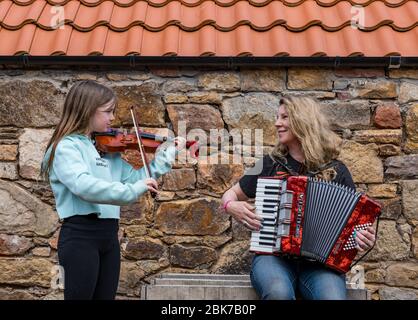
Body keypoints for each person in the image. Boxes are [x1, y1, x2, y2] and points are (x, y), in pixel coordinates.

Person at [221, 96, 376, 300]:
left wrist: (362, 236)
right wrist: (231, 205)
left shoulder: (337, 170)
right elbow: (230, 193)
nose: (277, 123)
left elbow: (356, 224)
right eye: (277, 117)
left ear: (303, 121)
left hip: (321, 265)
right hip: (273, 257)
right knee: (278, 293)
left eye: (284, 117)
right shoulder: (268, 163)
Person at [41, 80, 183, 300]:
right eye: (107, 111)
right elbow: (84, 186)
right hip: (80, 236)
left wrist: (166, 155)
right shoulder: (66, 147)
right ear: (86, 110)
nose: (113, 118)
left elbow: (137, 179)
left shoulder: (107, 150)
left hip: (109, 237)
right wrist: (133, 189)